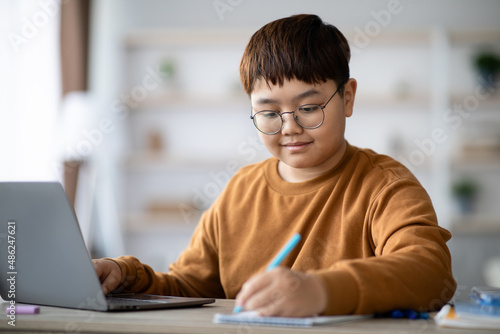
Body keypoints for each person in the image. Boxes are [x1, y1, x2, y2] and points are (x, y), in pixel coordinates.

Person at [93, 14, 456, 317]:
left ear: (347, 97)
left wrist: (321, 291)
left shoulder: (384, 185)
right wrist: (125, 276)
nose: (289, 127)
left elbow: (430, 272)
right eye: (268, 113)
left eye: (309, 108)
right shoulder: (241, 189)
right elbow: (188, 287)